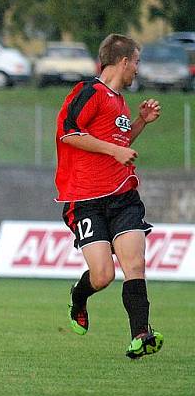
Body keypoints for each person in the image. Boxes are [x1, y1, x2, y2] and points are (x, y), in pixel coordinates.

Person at [55, 33, 163, 359]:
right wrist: (115, 150)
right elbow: (69, 133)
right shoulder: (90, 93)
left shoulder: (118, 100)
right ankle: (79, 295)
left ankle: (140, 335)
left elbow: (119, 140)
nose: (138, 70)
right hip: (85, 199)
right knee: (103, 276)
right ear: (124, 61)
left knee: (135, 263)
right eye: (137, 63)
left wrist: (140, 122)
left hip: (123, 196)